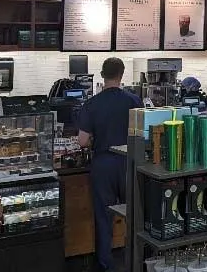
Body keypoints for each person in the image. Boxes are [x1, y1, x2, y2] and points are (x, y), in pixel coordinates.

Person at [77, 57, 142, 271]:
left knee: (103, 218)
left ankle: (105, 265)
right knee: (133, 215)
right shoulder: (134, 101)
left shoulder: (91, 104)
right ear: (122, 75)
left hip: (103, 164)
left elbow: (83, 141)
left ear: (102, 75)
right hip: (129, 162)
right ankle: (135, 260)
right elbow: (144, 134)